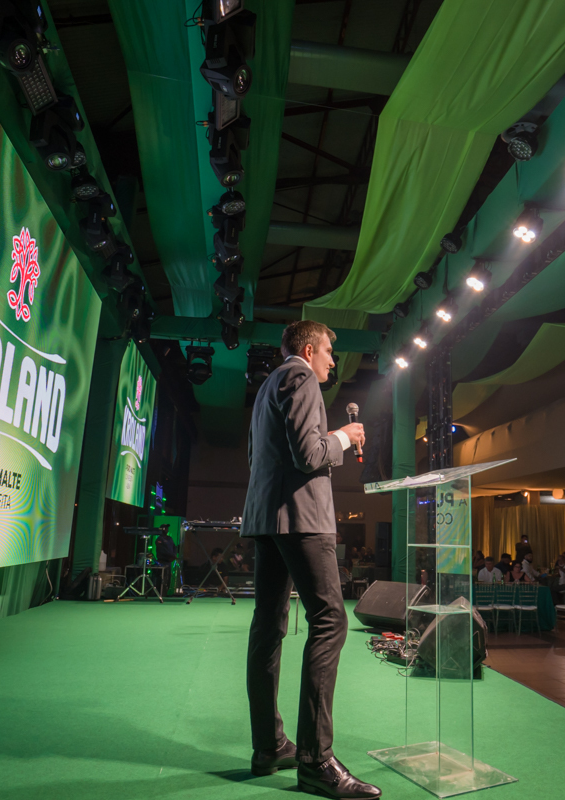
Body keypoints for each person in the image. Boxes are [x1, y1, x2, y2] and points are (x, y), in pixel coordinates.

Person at [240, 319, 379, 798]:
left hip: (266, 517)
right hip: (300, 518)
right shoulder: (299, 377)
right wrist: (341, 436)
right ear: (307, 348)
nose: (333, 362)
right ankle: (316, 761)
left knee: (269, 625)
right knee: (330, 621)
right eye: (328, 353)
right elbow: (307, 453)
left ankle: (269, 746)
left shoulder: (268, 386)